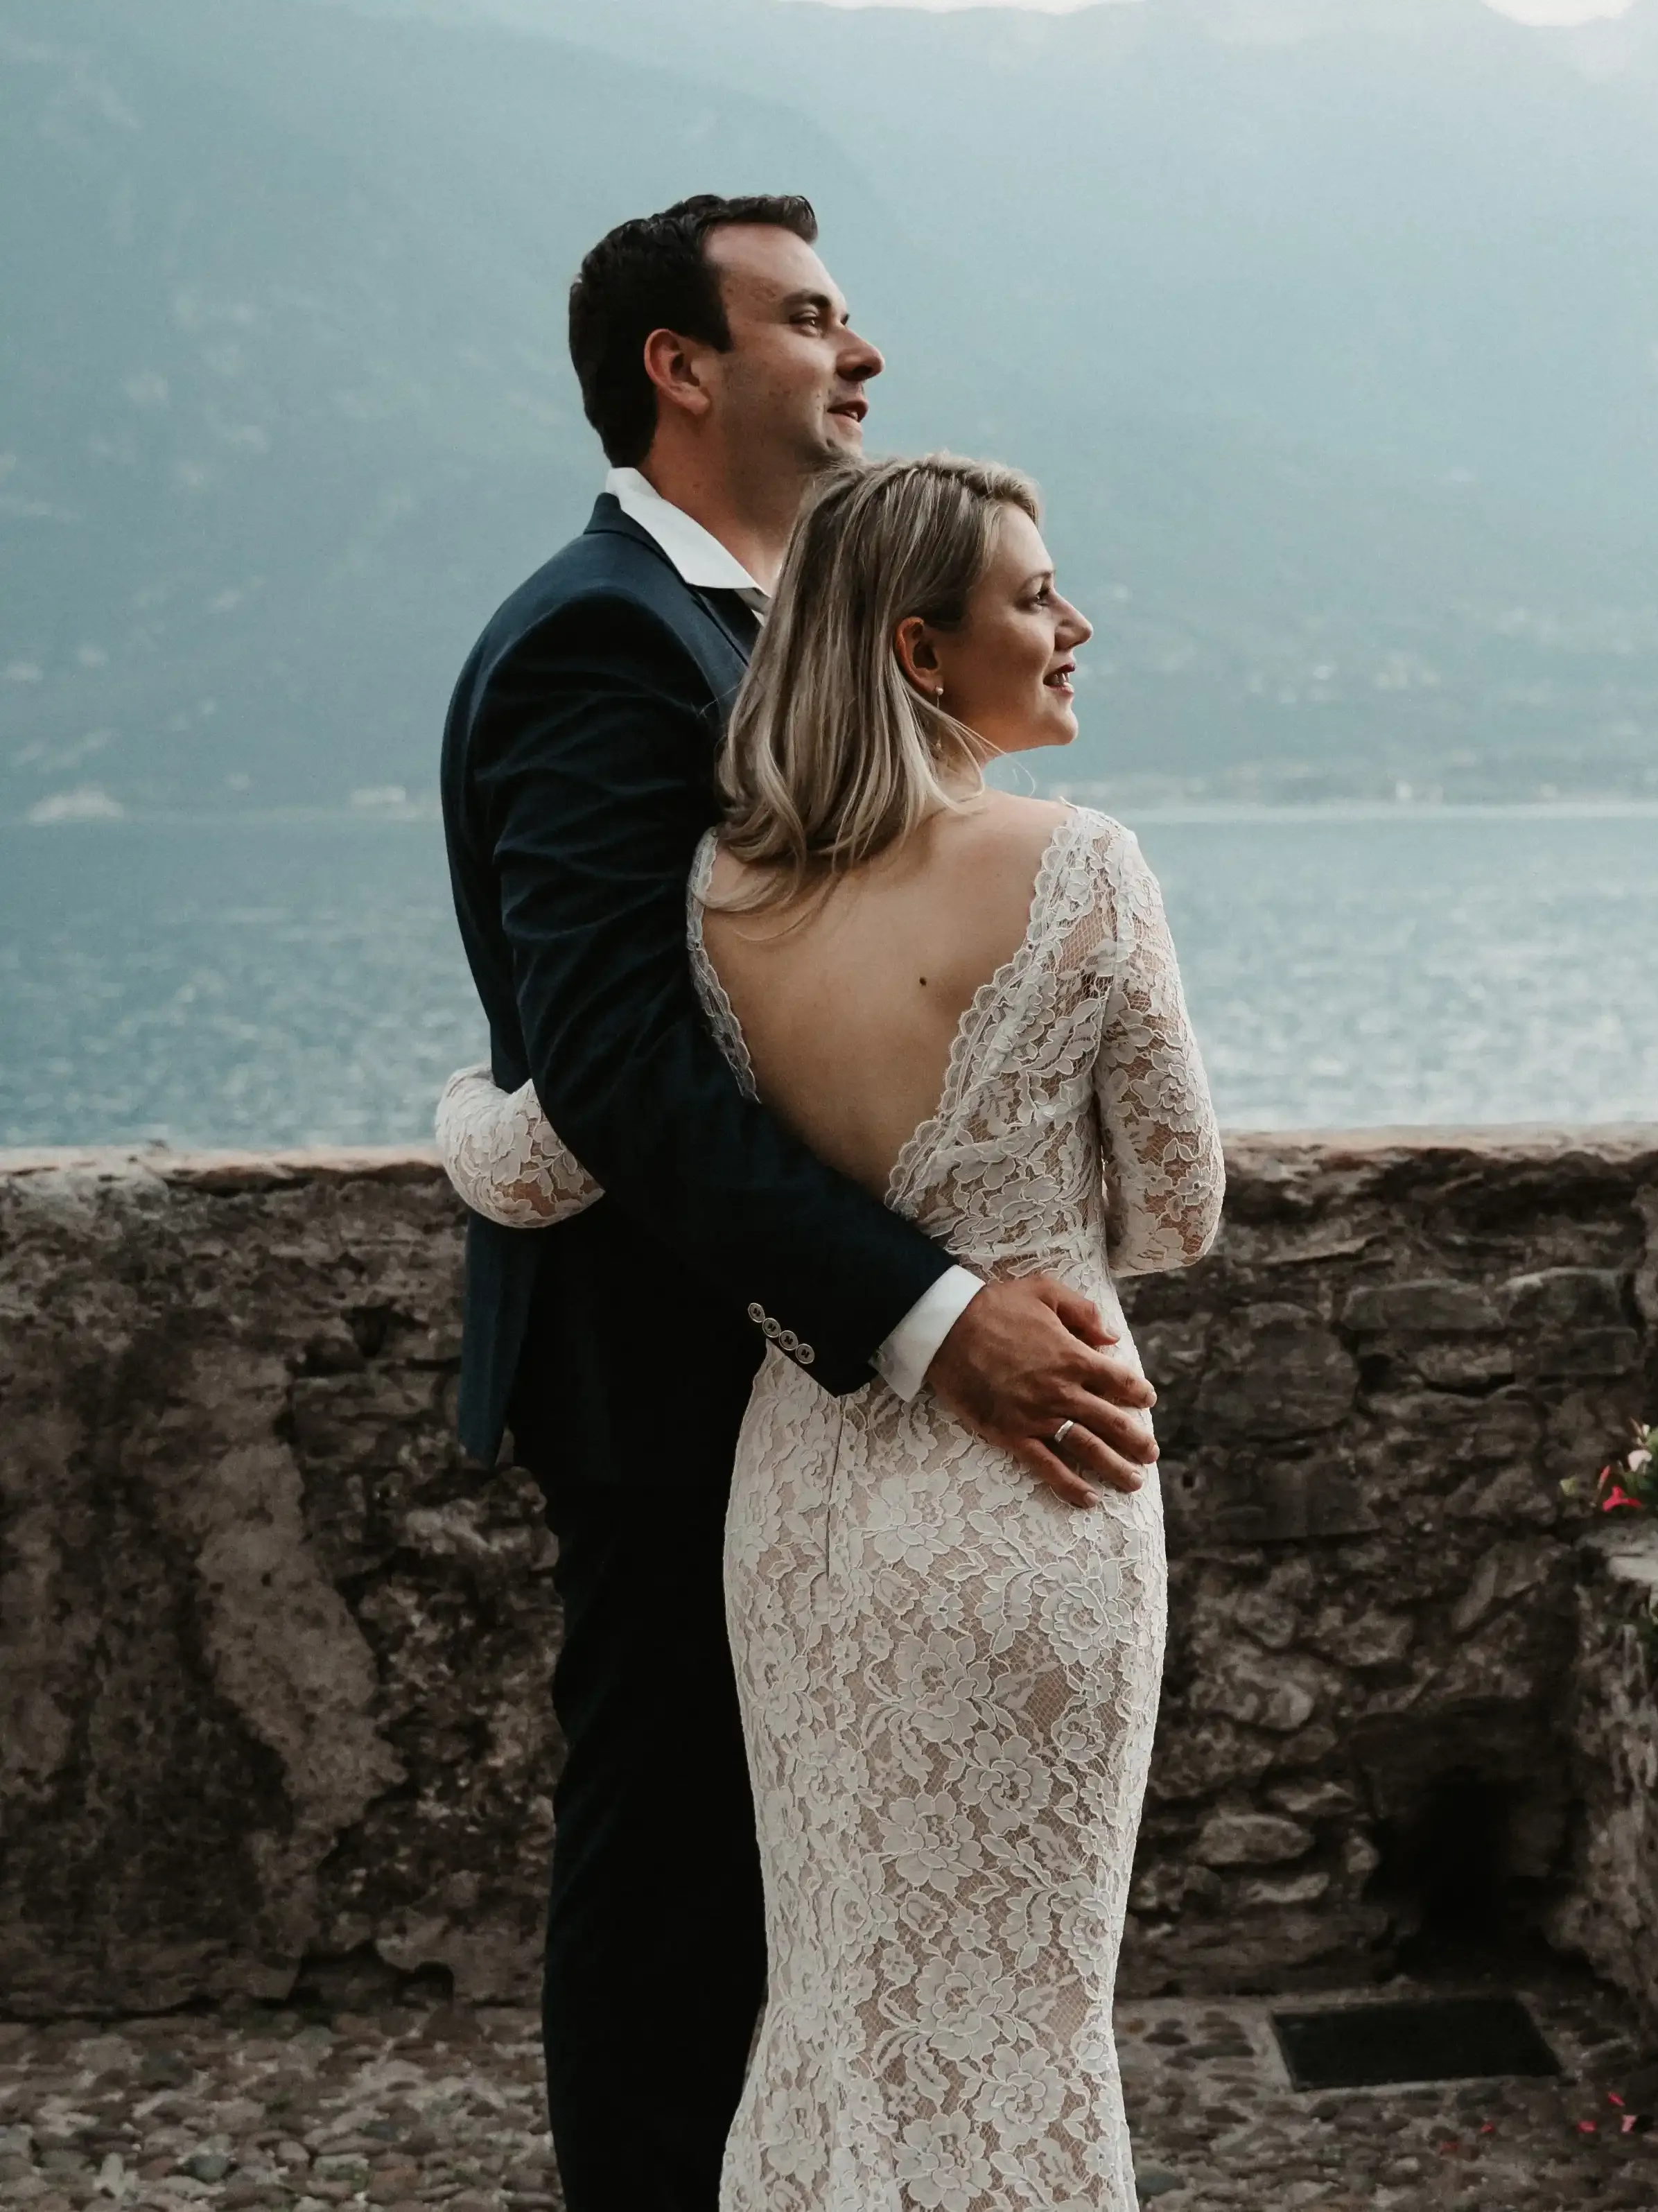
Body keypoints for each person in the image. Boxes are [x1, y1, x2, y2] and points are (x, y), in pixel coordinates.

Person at [437, 196, 1173, 2208]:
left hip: (803, 1405)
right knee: (680, 1908)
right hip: (686, 1392)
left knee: (831, 1939)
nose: (862, 354)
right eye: (814, 318)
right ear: (680, 367)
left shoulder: (777, 637)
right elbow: (624, 1067)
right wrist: (936, 1313)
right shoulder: (607, 639)